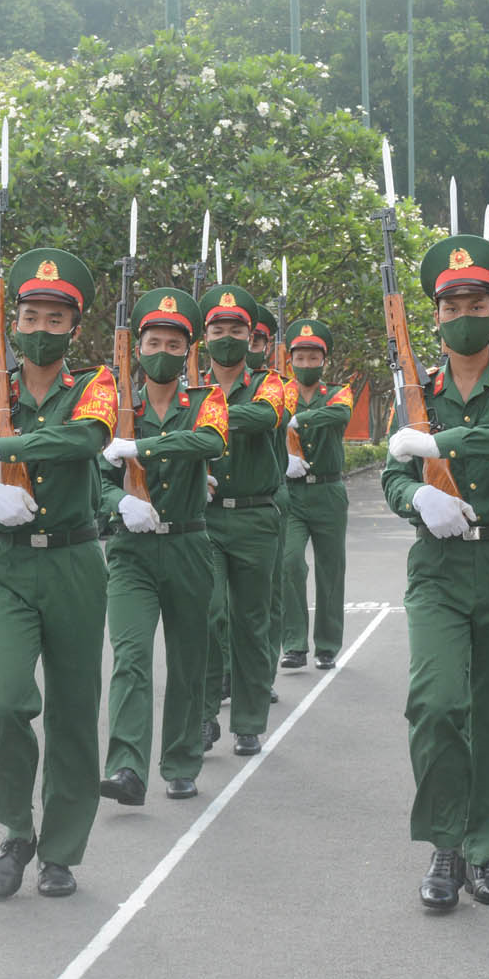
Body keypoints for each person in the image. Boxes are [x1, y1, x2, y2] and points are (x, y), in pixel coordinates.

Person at [382, 234, 489, 910]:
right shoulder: (414, 391)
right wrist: (417, 494)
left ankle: (486, 851)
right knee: (435, 704)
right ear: (434, 316)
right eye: (450, 304)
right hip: (439, 567)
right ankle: (445, 843)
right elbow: (399, 474)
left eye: (476, 302)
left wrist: (444, 442)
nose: (463, 313)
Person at [0, 248, 116, 900]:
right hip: (8, 566)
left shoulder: (95, 384)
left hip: (76, 560)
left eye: (55, 319)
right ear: (10, 321)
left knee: (74, 715)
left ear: (75, 329)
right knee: (3, 700)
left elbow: (87, 439)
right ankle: (16, 832)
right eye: (30, 315)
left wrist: (5, 449)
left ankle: (62, 850)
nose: (41, 329)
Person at [98, 287, 228, 805]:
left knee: (188, 658)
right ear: (139, 347)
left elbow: (212, 441)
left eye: (176, 346)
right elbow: (93, 475)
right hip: (131, 551)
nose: (164, 353)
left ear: (189, 352)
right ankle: (127, 767)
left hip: (188, 545)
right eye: (154, 342)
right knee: (130, 654)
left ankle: (179, 759)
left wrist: (143, 446)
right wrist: (118, 502)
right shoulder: (114, 406)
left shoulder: (206, 400)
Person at [196, 284, 288, 757]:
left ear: (252, 337)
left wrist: (202, 420)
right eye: (218, 329)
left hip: (254, 517)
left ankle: (249, 721)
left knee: (251, 624)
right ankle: (205, 714)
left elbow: (265, 416)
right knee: (208, 615)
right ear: (204, 337)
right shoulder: (190, 386)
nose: (227, 337)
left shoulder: (268, 382)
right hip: (204, 520)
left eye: (237, 330)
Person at [277, 318, 355, 671]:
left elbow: (340, 413)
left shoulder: (338, 393)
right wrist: (284, 459)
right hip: (291, 494)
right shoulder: (278, 393)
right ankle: (293, 643)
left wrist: (298, 421)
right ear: (290, 360)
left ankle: (327, 644)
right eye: (300, 358)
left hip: (327, 491)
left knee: (330, 570)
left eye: (313, 358)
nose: (306, 365)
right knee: (290, 563)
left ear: (324, 361)